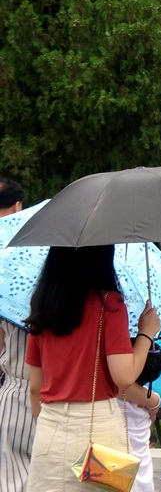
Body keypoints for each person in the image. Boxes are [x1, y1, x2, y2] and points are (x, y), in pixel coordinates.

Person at [24, 245, 160, 492]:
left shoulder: (42, 307)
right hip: (99, 429)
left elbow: (35, 388)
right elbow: (124, 376)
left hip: (49, 430)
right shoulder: (109, 303)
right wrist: (146, 334)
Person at [0, 177, 32, 492]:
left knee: (14, 482)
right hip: (66, 398)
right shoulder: (37, 256)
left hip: (17, 388)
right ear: (19, 207)